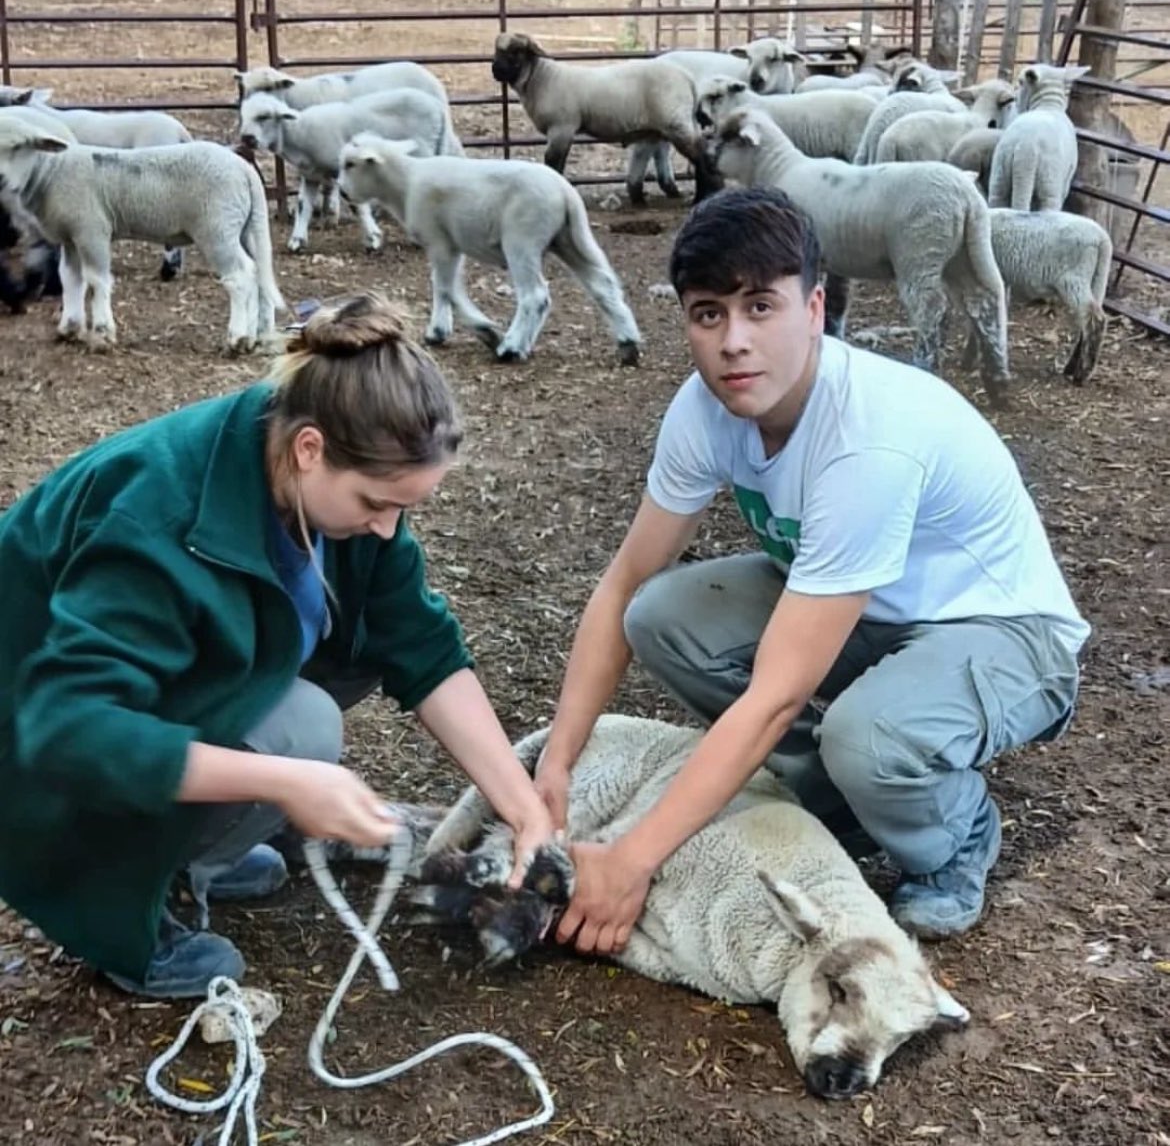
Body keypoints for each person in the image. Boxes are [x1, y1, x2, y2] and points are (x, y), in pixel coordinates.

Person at [535, 186, 1089, 955]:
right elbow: (625, 581)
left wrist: (630, 861)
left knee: (868, 739)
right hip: (865, 609)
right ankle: (840, 802)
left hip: (1001, 631)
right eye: (708, 313)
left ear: (816, 306)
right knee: (659, 614)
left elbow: (777, 693)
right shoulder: (704, 410)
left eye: (759, 306)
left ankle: (956, 834)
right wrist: (557, 764)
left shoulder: (868, 439)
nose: (733, 341)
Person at [0, 292, 554, 999]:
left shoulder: (317, 470)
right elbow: (68, 728)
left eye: (405, 508)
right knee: (301, 731)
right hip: (27, 748)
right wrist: (282, 782)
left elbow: (420, 643)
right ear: (309, 449)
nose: (388, 528)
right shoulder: (155, 515)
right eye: (376, 503)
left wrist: (518, 802)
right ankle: (126, 892)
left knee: (326, 680)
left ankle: (196, 843)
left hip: (115, 703)